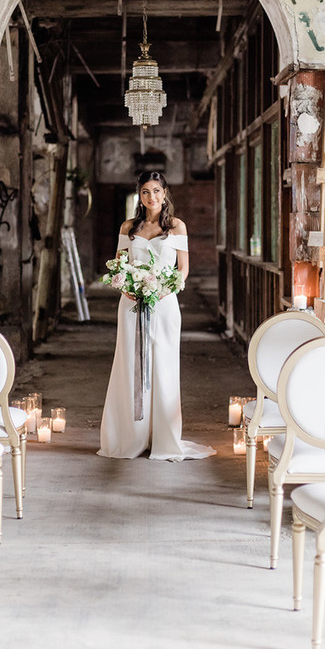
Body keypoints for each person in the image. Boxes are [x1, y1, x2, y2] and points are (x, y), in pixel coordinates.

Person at [98, 171, 216, 461]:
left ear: (165, 194)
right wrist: (125, 286)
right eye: (146, 192)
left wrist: (166, 289)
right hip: (131, 303)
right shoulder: (129, 226)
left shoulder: (177, 227)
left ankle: (162, 436)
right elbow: (118, 264)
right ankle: (131, 435)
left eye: (157, 191)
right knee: (129, 365)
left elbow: (183, 269)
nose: (152, 197)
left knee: (162, 366)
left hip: (164, 304)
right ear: (139, 196)